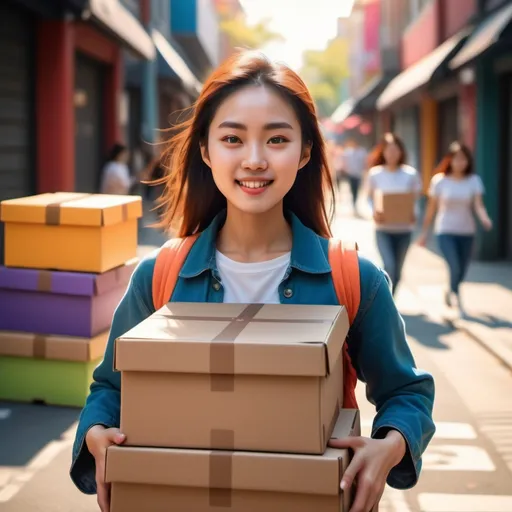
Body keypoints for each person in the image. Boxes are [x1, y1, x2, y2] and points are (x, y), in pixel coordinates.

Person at [70, 51, 435, 512]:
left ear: (305, 151)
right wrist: (98, 431)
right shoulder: (158, 277)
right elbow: (110, 387)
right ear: (206, 149)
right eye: (233, 139)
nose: (255, 160)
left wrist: (392, 445)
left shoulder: (354, 279)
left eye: (277, 139)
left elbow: (406, 392)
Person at [418, 141, 492, 314]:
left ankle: (451, 289)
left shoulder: (474, 180)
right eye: (456, 159)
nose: (460, 163)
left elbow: (478, 205)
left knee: (463, 268)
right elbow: (431, 208)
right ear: (449, 160)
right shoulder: (440, 181)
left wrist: (485, 219)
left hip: (467, 231)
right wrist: (424, 233)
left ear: (468, 161)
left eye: (463, 159)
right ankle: (455, 293)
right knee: (454, 265)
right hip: (445, 230)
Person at [366, 133, 422, 295]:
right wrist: (374, 211)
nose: (392, 154)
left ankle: (391, 298)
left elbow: (415, 199)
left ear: (401, 152)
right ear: (382, 152)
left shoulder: (410, 174)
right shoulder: (375, 174)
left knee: (397, 270)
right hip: (383, 228)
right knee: (388, 265)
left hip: (404, 229)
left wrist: (415, 213)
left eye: (395, 150)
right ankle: (385, 298)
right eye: (388, 150)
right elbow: (369, 198)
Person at [342, 138, 368, 215]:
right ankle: (353, 204)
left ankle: (355, 203)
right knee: (352, 189)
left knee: (357, 190)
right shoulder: (348, 152)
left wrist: (364, 171)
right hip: (351, 174)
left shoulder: (362, 152)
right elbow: (345, 161)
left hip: (358, 174)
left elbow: (364, 162)